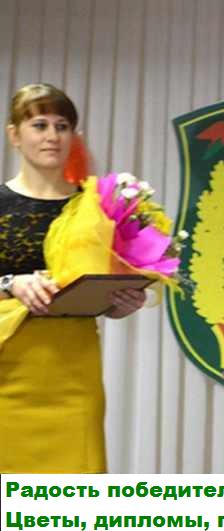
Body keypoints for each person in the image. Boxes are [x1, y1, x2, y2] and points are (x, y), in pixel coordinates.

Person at [0, 83, 146, 473]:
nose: (52, 135)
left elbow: (101, 287)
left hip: (74, 374)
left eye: (61, 126)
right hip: (6, 370)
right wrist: (10, 284)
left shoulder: (100, 207)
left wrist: (120, 304)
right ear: (14, 135)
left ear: (73, 136)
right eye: (39, 125)